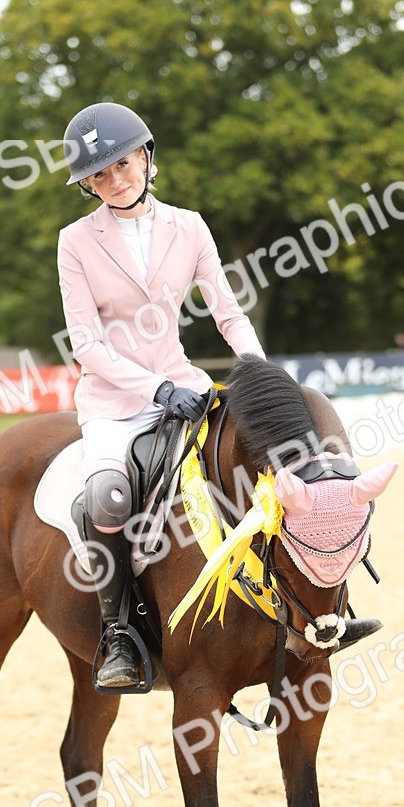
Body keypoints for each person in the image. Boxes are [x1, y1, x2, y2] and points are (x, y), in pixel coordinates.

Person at [58, 102, 266, 688]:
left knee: (262, 458)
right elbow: (86, 343)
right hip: (115, 403)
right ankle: (119, 633)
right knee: (105, 498)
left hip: (185, 385)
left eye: (122, 164)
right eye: (99, 175)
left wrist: (260, 373)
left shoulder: (190, 226)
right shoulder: (75, 242)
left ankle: (304, 605)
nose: (114, 181)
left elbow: (228, 313)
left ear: (147, 157)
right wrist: (156, 389)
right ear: (88, 185)